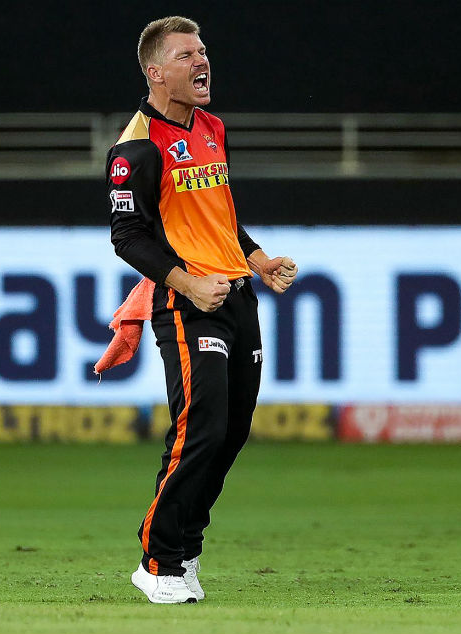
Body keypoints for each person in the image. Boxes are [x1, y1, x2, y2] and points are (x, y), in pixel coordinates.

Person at [105, 16, 298, 604]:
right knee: (200, 428)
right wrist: (188, 285)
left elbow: (220, 216)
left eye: (203, 51)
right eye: (186, 55)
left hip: (236, 296)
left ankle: (186, 549)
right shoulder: (136, 147)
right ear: (155, 72)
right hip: (186, 303)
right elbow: (127, 237)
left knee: (231, 432)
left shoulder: (212, 127)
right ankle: (158, 560)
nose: (202, 61)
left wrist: (258, 259)